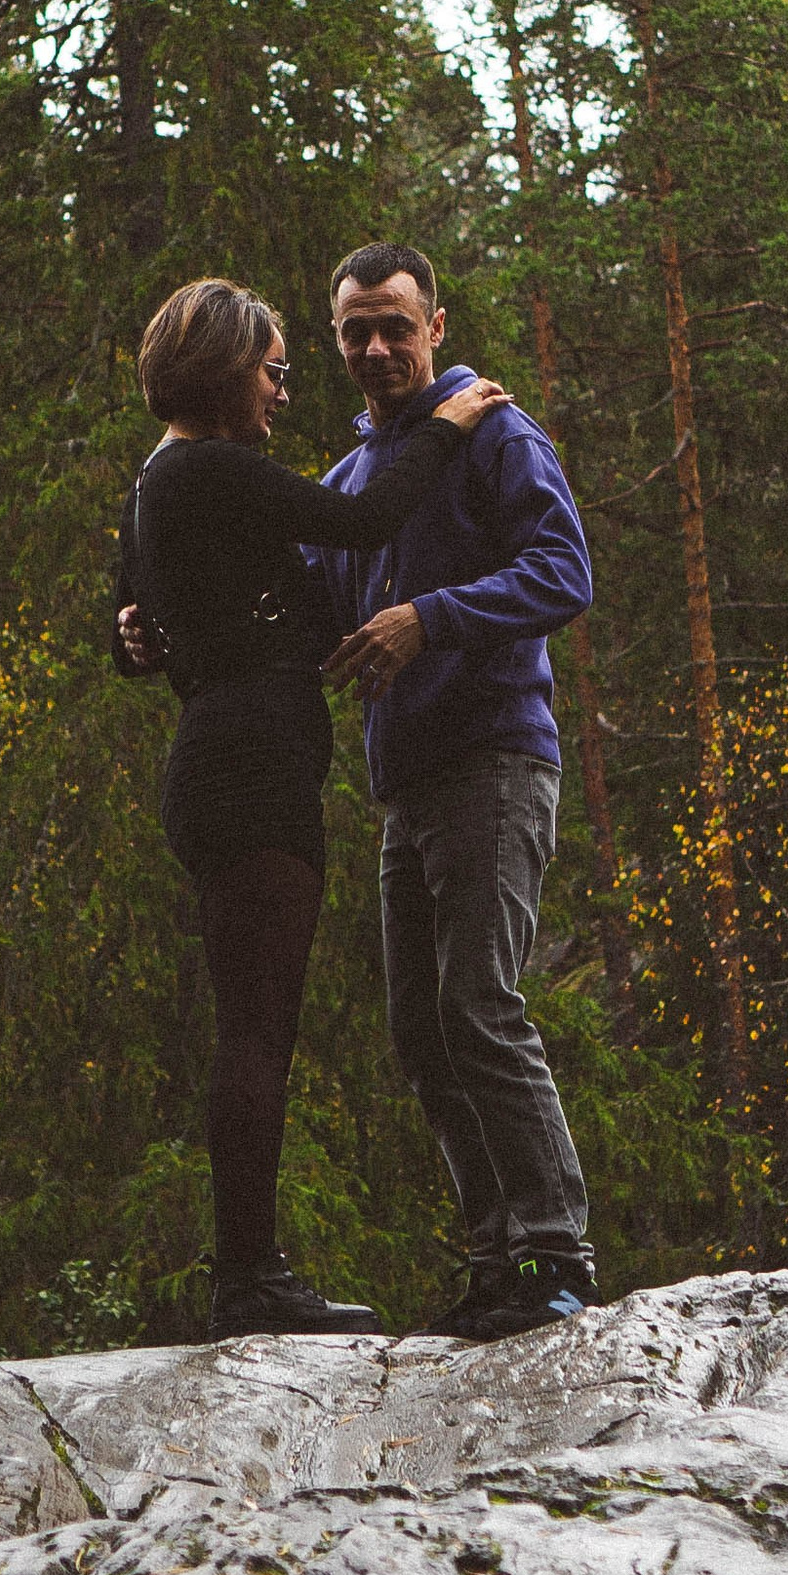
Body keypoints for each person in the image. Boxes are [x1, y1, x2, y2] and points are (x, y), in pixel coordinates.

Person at [113, 275, 508, 1341]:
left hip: (220, 767)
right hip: (250, 773)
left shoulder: (155, 483)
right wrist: (448, 421)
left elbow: (132, 628)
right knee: (257, 1033)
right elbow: (366, 513)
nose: (284, 392)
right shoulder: (213, 468)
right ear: (224, 369)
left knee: (254, 1026)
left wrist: (134, 638)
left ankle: (251, 1269)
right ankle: (249, 1277)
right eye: (275, 370)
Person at [315, 242, 599, 1340]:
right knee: (422, 1033)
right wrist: (151, 619)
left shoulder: (497, 433)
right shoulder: (358, 481)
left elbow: (564, 570)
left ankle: (555, 1254)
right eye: (354, 331)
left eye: (394, 324)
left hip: (494, 757)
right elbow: (301, 598)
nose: (377, 347)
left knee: (479, 1003)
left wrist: (429, 616)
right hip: (409, 783)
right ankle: (496, 1256)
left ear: (435, 323)